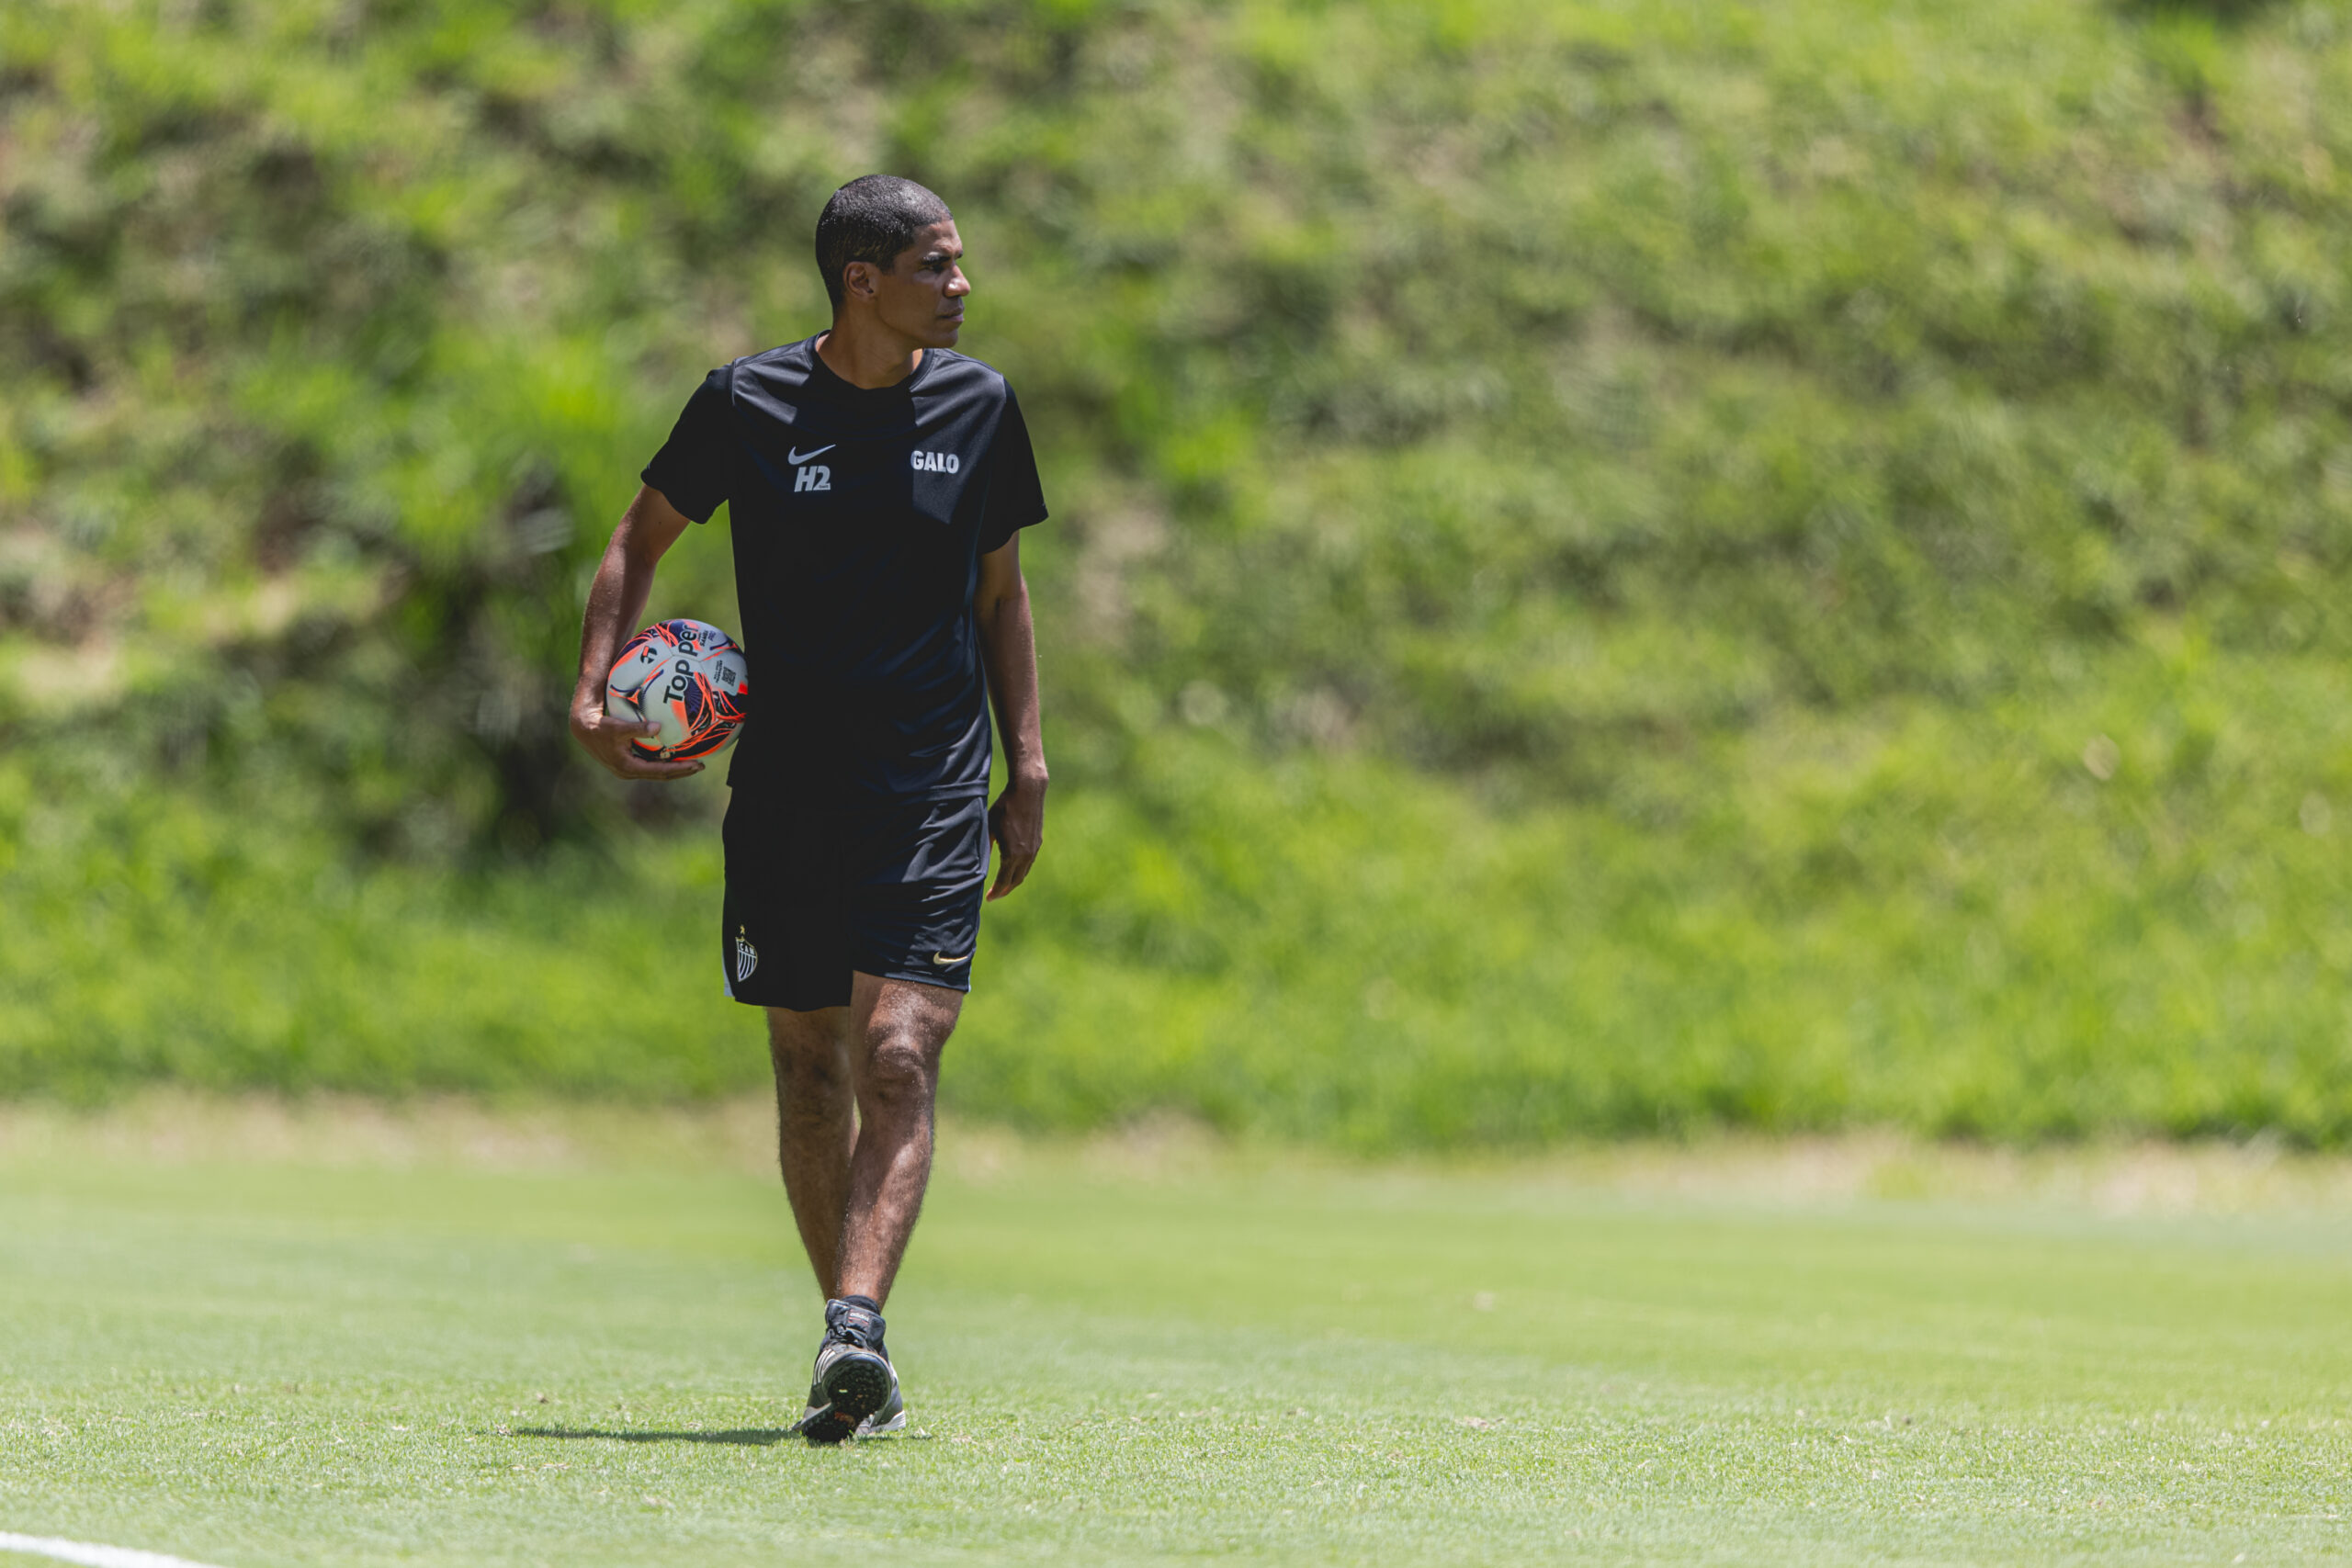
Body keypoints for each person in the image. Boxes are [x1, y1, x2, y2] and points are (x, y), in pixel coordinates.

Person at [566, 175, 1049, 1444]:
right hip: (786, 786)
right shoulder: (748, 403)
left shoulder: (982, 406)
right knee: (802, 1068)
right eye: (938, 267)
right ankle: (852, 1333)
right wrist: (590, 692)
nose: (962, 287)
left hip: (934, 784)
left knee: (898, 1052)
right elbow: (637, 536)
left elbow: (1002, 595)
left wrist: (1029, 763)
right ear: (863, 282)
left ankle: (855, 1330)